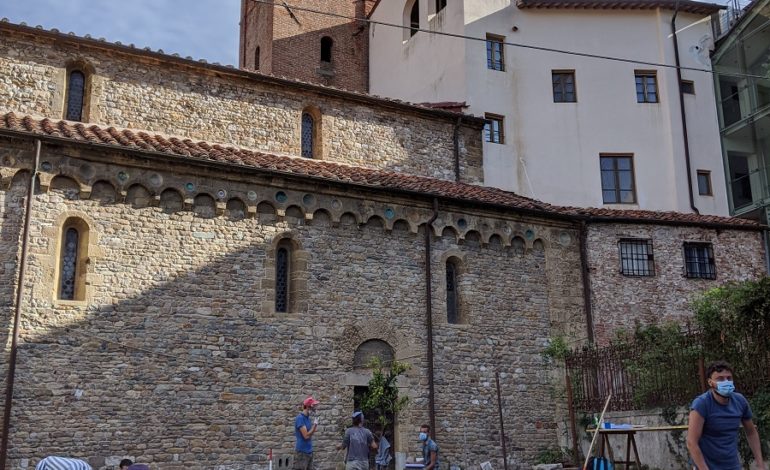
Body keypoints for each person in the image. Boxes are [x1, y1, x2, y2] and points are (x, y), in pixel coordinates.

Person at [687, 360, 765, 470]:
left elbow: (751, 432)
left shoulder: (740, 401)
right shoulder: (702, 404)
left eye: (729, 378)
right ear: (710, 382)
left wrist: (760, 464)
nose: (726, 381)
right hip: (706, 466)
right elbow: (692, 442)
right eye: (720, 379)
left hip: (732, 465)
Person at [294, 395, 320, 470]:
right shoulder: (300, 418)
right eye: (314, 406)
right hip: (302, 452)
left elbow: (309, 434)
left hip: (309, 450)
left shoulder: (307, 418)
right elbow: (306, 436)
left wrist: (312, 430)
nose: (315, 409)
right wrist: (315, 425)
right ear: (309, 407)